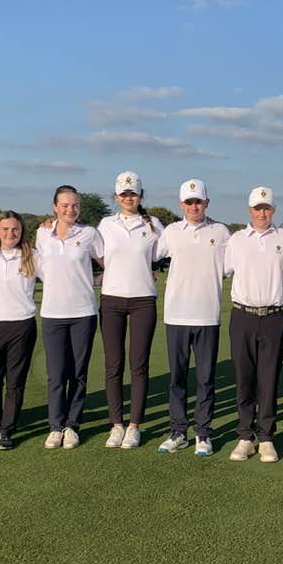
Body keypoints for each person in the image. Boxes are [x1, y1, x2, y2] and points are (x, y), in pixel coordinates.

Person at [155, 179, 230, 457]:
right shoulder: (171, 232)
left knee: (205, 379)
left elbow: (237, 264)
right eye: (189, 202)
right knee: (177, 378)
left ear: (206, 203)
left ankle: (203, 433)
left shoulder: (221, 232)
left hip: (208, 316)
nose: (194, 206)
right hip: (176, 315)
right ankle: (178, 431)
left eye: (198, 201)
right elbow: (147, 255)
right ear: (181, 204)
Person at [223, 187, 283, 463]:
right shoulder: (237, 239)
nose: (262, 213)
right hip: (243, 316)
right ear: (249, 210)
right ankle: (245, 436)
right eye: (257, 208)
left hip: (274, 316)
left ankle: (265, 437)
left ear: (273, 210)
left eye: (266, 208)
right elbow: (220, 270)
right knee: (244, 378)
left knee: (269, 379)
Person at [31, 185, 104, 450]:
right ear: (55, 207)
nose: (70, 210)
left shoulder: (89, 233)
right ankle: (55, 426)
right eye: (65, 205)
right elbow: (41, 269)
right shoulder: (42, 233)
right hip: (53, 313)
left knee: (78, 373)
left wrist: (97, 280)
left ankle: (72, 425)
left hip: (83, 312)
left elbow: (109, 263)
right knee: (56, 374)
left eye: (75, 205)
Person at [97, 172, 165, 449]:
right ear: (116, 197)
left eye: (133, 193)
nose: (128, 198)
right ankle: (116, 425)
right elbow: (97, 254)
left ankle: (134, 426)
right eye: (124, 194)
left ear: (140, 196)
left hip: (143, 300)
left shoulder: (154, 224)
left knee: (139, 365)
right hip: (111, 300)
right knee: (113, 365)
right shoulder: (105, 224)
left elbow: (164, 253)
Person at [0, 211, 40, 450]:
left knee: (15, 382)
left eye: (15, 229)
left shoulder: (32, 256)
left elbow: (56, 277)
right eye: (5, 229)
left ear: (22, 231)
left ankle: (7, 429)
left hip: (22, 325)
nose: (10, 233)